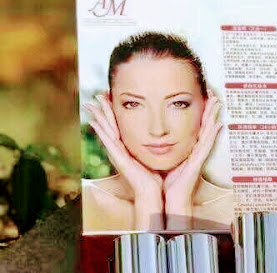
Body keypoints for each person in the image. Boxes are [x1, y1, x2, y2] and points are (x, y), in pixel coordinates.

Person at [82, 32, 233, 232]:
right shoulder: (81, 205)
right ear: (110, 106)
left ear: (206, 105)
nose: (158, 130)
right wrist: (146, 196)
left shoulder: (242, 213)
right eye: (133, 104)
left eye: (178, 103)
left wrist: (179, 205)